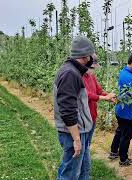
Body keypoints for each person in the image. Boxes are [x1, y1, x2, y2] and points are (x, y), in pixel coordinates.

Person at [53, 35, 95, 180]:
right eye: (91, 54)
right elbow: (67, 110)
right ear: (86, 55)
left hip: (79, 130)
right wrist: (76, 140)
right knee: (70, 174)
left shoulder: (72, 71)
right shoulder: (70, 73)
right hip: (73, 132)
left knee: (79, 169)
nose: (92, 57)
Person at [82, 54, 116, 145]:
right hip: (84, 117)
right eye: (92, 67)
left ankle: (85, 159)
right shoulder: (79, 77)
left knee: (87, 144)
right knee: (82, 145)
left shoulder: (91, 76)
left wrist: (109, 96)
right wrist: (104, 97)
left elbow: (99, 90)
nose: (93, 70)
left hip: (92, 115)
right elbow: (86, 94)